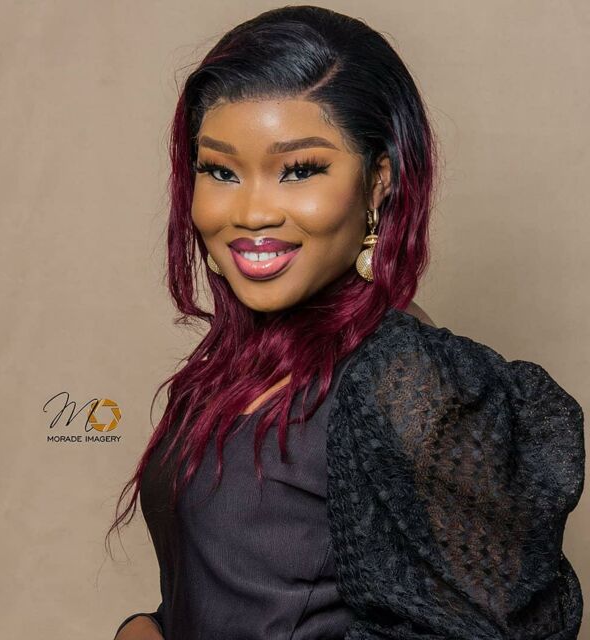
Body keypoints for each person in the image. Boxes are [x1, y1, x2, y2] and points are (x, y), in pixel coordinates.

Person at [107, 6, 585, 639]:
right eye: (220, 171)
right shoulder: (233, 365)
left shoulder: (408, 383)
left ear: (379, 180)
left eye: (300, 170)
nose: (251, 212)